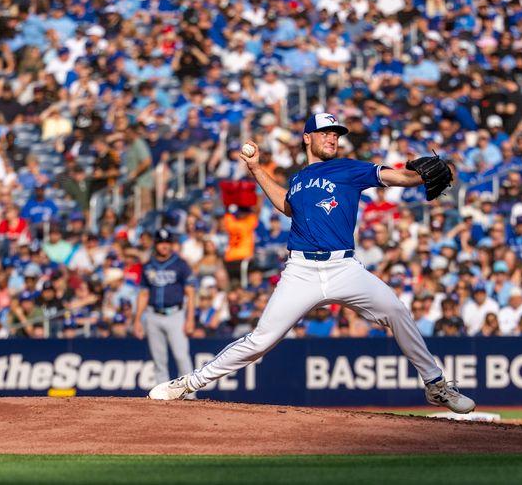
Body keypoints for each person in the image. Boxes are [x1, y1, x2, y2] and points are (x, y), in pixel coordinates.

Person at [148, 113, 474, 413]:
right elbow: (286, 206)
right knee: (260, 340)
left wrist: (418, 178)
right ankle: (188, 384)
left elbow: (398, 177)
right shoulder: (299, 179)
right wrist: (257, 170)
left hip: (344, 268)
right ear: (308, 138)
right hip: (300, 271)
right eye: (325, 133)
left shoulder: (348, 168)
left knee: (396, 311)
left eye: (335, 134)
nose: (332, 138)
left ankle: (436, 385)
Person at [134, 228, 196, 399]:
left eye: (167, 243)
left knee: (181, 356)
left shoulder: (180, 264)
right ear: (156, 244)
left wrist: (190, 319)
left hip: (176, 314)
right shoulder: (149, 265)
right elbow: (143, 293)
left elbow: (190, 292)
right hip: (153, 315)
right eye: (161, 243)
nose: (164, 246)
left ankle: (190, 396)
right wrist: (137, 320)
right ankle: (163, 396)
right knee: (159, 360)